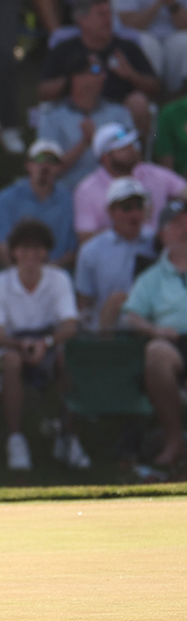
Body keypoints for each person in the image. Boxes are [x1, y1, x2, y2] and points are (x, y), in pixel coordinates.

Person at [0, 219, 83, 472]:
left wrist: (45, 343)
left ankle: (67, 436)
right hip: (12, 344)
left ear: (46, 252)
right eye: (24, 248)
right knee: (11, 361)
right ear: (14, 252)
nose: (30, 255)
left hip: (48, 341)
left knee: (66, 358)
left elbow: (69, 325)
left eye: (37, 249)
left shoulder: (59, 279)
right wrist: (23, 345)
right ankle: (15, 439)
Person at [121, 198, 187, 472]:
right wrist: (154, 330)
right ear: (162, 233)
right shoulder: (151, 277)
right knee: (156, 353)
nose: (184, 229)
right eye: (176, 224)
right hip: (173, 343)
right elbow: (130, 315)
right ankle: (174, 441)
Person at [42, 0, 160, 132]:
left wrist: (130, 74)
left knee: (138, 102)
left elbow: (155, 89)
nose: (108, 20)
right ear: (82, 19)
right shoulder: (65, 49)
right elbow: (44, 91)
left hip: (119, 117)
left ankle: (132, 152)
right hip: (74, 117)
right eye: (101, 14)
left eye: (109, 14)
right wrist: (76, 77)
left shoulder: (127, 47)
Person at [36, 55, 133, 195]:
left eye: (103, 70)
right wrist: (84, 143)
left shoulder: (119, 114)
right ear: (76, 77)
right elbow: (48, 169)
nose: (104, 76)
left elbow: (132, 159)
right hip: (68, 196)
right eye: (96, 70)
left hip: (115, 195)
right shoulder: (52, 118)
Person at [75, 123, 187, 240]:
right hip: (115, 253)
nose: (133, 151)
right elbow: (85, 237)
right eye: (124, 148)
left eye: (132, 145)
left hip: (159, 249)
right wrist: (125, 229)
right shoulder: (86, 190)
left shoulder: (154, 173)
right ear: (106, 157)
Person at [74, 178, 152, 329]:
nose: (134, 213)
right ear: (111, 211)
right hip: (107, 332)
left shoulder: (157, 242)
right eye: (127, 207)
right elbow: (84, 305)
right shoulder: (91, 250)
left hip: (150, 329)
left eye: (139, 206)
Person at [0, 139, 78, 268]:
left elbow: (73, 249)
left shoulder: (70, 200)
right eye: (40, 159)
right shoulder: (6, 199)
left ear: (59, 168)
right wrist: (21, 275)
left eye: (52, 161)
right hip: (16, 273)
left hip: (57, 273)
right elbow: (1, 246)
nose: (45, 165)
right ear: (28, 165)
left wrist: (49, 273)